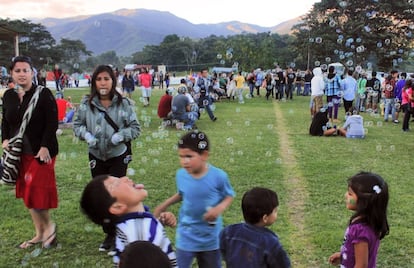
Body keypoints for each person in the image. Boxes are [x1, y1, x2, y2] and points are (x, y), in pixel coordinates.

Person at [73, 65, 141, 255]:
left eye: (107, 79)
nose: (103, 82)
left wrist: (121, 135)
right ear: (94, 82)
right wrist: (85, 135)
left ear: (113, 81)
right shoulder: (87, 104)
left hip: (118, 155)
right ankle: (110, 234)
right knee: (103, 197)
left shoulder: (124, 104)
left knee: (117, 196)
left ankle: (121, 234)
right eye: (99, 79)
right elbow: (77, 125)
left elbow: (135, 128)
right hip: (96, 155)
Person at [154, 130, 235, 268]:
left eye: (189, 156)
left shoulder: (218, 176)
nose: (184, 161)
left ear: (204, 155)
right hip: (186, 234)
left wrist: (218, 208)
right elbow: (182, 193)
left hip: (210, 237)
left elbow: (229, 195)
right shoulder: (181, 175)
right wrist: (165, 204)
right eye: (181, 156)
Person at [1, 55, 58, 249]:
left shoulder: (43, 93)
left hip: (41, 152)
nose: (22, 74)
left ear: (32, 72)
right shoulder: (9, 95)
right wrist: (5, 139)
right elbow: (6, 121)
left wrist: (44, 147)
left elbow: (52, 123)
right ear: (11, 73)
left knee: (36, 189)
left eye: (25, 70)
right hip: (19, 152)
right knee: (27, 193)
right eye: (17, 71)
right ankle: (39, 233)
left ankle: (50, 227)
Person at [80, 175, 177, 267]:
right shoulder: (138, 233)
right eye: (117, 183)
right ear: (117, 207)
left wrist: (159, 222)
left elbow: (151, 237)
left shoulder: (135, 225)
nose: (125, 178)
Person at [328, 171, 389, 268]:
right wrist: (343, 255)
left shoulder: (360, 230)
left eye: (350, 194)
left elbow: (361, 265)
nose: (346, 195)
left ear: (364, 201)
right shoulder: (370, 222)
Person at [220, 187, 291, 268]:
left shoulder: (229, 232)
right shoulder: (270, 242)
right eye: (275, 211)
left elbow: (219, 251)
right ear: (265, 218)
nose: (276, 213)